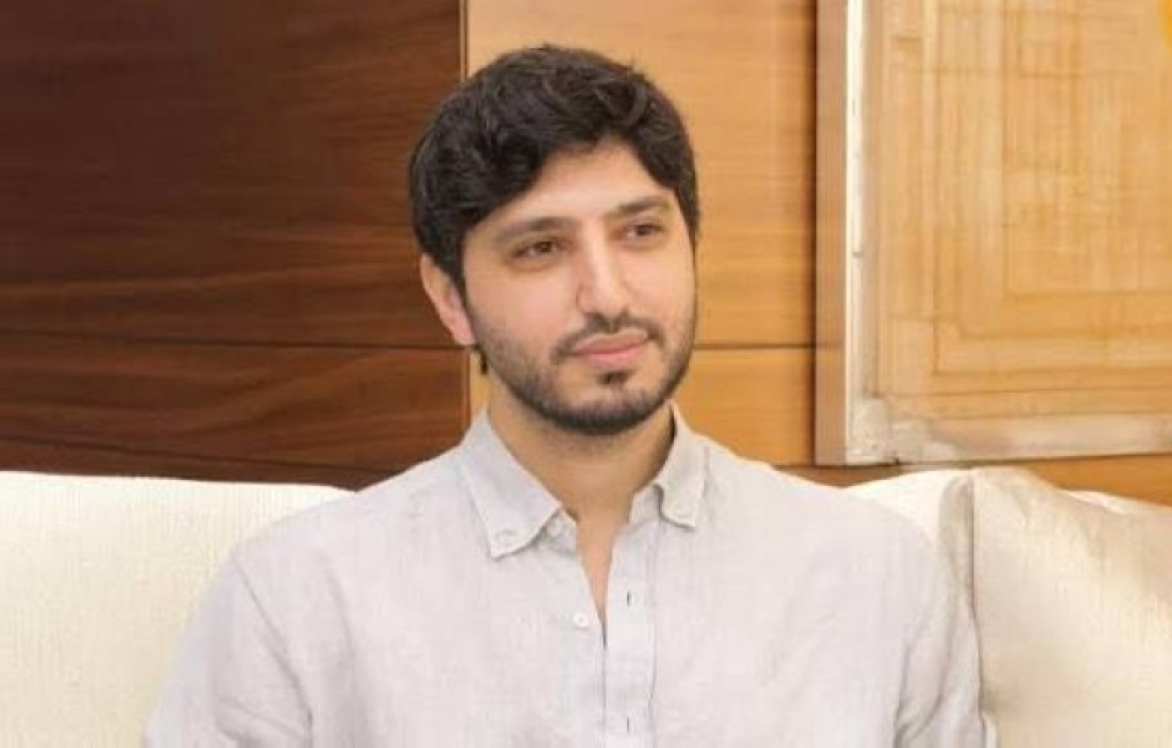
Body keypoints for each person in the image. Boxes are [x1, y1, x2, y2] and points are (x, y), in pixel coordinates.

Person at [146, 45, 985, 746]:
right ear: (450, 298)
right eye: (541, 248)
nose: (607, 294)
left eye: (641, 232)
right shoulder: (298, 596)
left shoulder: (877, 577)